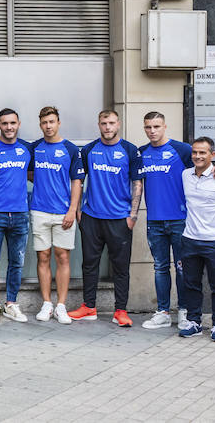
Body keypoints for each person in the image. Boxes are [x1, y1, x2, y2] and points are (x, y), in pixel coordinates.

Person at [68, 110, 143, 327]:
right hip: (92, 217)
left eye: (111, 123)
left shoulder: (130, 151)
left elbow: (138, 183)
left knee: (120, 267)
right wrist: (80, 211)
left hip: (120, 218)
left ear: (118, 124)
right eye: (104, 123)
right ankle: (88, 307)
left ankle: (120, 310)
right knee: (89, 264)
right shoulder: (89, 150)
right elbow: (79, 181)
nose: (108, 127)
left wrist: (133, 216)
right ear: (99, 125)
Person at [176, 137, 215, 342]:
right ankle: (194, 322)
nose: (197, 156)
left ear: (212, 155)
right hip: (190, 239)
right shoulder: (186, 175)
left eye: (202, 153)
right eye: (195, 152)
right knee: (191, 283)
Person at [137, 111, 194, 330]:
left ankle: (184, 312)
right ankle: (162, 312)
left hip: (180, 219)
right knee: (160, 267)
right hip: (155, 221)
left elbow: (201, 173)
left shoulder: (182, 150)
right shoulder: (142, 153)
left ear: (165, 127)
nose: (152, 131)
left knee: (182, 268)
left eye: (156, 127)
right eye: (148, 127)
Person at [28, 107, 80, 324]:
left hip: (63, 213)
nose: (48, 126)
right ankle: (47, 303)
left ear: (58, 122)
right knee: (43, 256)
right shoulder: (34, 148)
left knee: (63, 256)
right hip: (39, 210)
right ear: (40, 125)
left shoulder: (70, 149)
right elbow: (29, 173)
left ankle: (61, 305)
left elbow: (77, 181)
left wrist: (72, 210)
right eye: (44, 123)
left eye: (51, 122)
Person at [0, 109, 31, 322]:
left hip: (20, 214)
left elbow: (33, 174)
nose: (9, 127)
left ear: (19, 123)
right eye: (4, 123)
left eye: (12, 123)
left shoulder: (28, 149)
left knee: (16, 262)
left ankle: (11, 304)